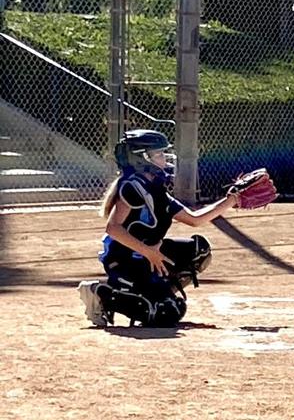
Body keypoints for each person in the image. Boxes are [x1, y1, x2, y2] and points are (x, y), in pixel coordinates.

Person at [77, 130, 243, 327]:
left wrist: (232, 200)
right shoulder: (132, 187)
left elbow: (195, 219)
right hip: (125, 261)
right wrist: (149, 252)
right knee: (166, 314)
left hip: (148, 255)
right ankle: (101, 294)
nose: (165, 158)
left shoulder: (156, 189)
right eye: (158, 154)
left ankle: (157, 293)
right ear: (141, 159)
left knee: (199, 250)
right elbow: (113, 228)